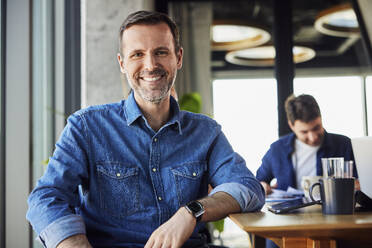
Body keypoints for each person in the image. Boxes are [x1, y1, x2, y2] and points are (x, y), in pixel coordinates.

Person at [27, 10, 265, 248]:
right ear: (122, 63)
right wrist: (76, 243)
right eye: (137, 54)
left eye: (161, 52)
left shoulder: (206, 132)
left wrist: (191, 212)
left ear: (178, 58)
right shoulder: (86, 127)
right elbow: (46, 198)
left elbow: (247, 187)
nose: (150, 65)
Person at [256, 94, 359, 195]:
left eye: (316, 128)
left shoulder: (344, 145)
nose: (313, 137)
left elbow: (362, 181)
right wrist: (263, 186)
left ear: (321, 118)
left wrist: (357, 184)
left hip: (336, 209)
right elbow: (259, 181)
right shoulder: (277, 149)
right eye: (304, 132)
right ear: (291, 126)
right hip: (289, 211)